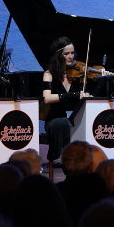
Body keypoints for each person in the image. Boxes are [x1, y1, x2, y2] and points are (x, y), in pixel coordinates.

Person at [42, 37, 91, 165]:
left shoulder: (79, 74)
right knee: (62, 123)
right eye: (66, 53)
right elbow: (47, 98)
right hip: (55, 118)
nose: (71, 56)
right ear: (58, 55)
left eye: (72, 53)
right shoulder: (49, 74)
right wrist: (72, 95)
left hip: (76, 119)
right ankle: (56, 155)